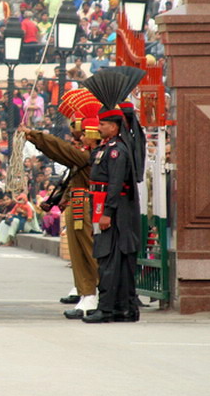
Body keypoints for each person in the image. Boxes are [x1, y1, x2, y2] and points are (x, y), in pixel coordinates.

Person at [20, 90, 102, 318]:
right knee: (78, 253)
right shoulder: (86, 153)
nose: (78, 136)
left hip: (84, 206)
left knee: (86, 252)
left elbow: (62, 151)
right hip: (77, 204)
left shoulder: (90, 155)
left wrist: (35, 136)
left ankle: (90, 294)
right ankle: (85, 293)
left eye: (84, 132)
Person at [83, 104, 141, 323]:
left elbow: (115, 184)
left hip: (113, 213)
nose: (99, 127)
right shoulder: (106, 147)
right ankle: (120, 308)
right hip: (102, 208)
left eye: (103, 124)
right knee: (110, 259)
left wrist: (107, 212)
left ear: (115, 127)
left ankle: (107, 308)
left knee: (110, 259)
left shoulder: (117, 150)